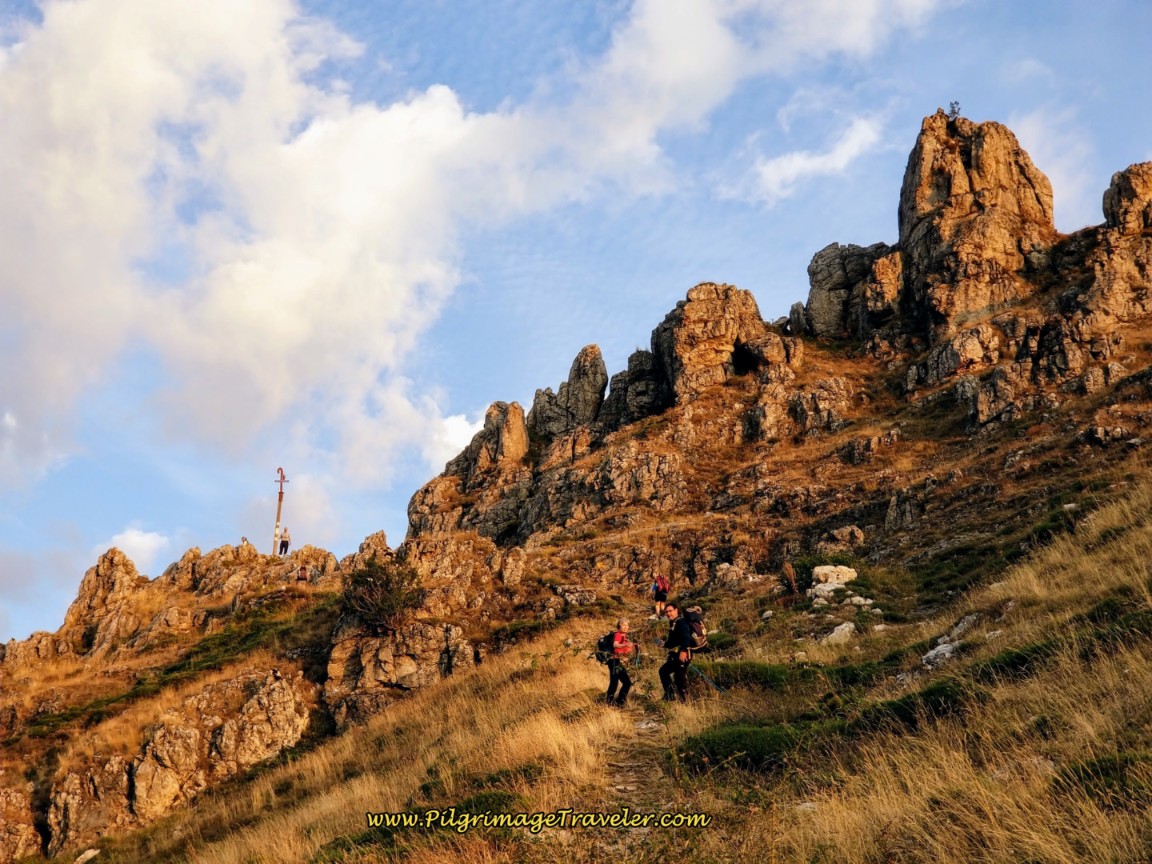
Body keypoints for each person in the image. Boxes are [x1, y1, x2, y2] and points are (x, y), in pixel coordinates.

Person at [658, 602, 693, 702]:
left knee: (678, 676)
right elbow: (672, 642)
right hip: (678, 654)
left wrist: (683, 650)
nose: (668, 613)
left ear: (676, 610)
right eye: (666, 612)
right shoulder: (673, 623)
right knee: (668, 672)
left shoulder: (681, 622)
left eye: (670, 611)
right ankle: (672, 696)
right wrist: (664, 644)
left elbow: (687, 637)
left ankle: (682, 699)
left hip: (684, 654)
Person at [605, 618, 635, 708]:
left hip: (616, 661)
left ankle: (618, 702)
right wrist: (625, 645)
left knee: (625, 682)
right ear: (619, 626)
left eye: (627, 625)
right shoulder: (618, 634)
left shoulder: (624, 636)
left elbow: (621, 650)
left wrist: (630, 649)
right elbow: (615, 645)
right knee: (616, 682)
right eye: (623, 625)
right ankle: (612, 703)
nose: (626, 627)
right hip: (614, 661)